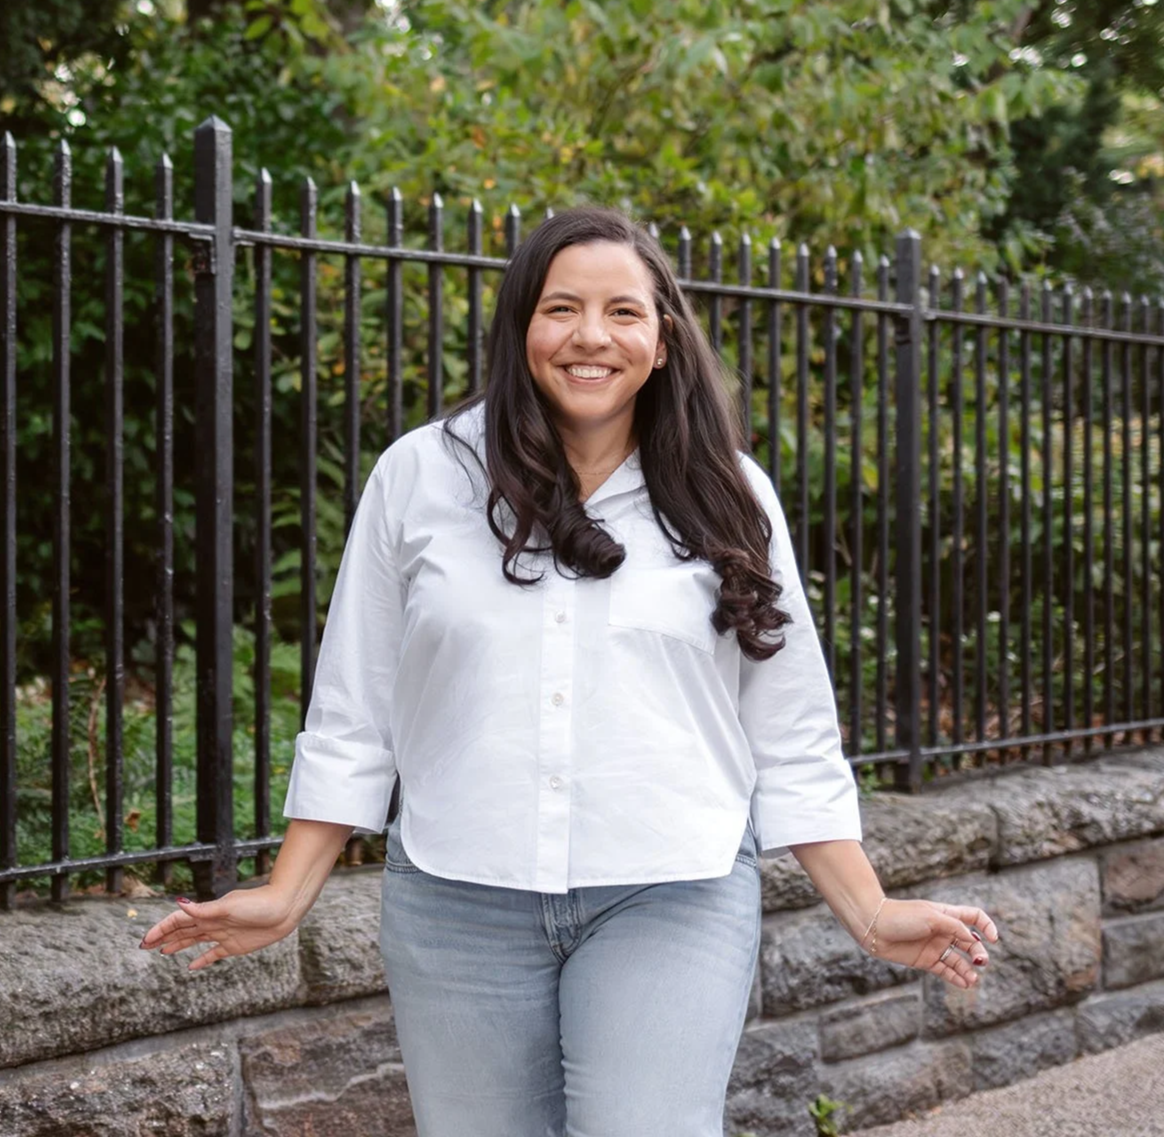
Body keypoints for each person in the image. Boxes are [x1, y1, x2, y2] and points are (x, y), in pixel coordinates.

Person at [139, 206, 999, 1136]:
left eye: (623, 312)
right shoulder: (420, 476)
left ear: (663, 342)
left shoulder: (732, 493)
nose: (592, 336)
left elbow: (786, 729)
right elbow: (356, 706)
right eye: (562, 308)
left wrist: (868, 912)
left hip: (674, 890)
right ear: (520, 330)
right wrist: (286, 890)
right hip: (457, 901)